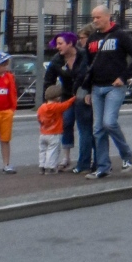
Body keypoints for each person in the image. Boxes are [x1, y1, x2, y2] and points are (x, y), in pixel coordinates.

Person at [81, 5, 132, 179]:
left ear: (108, 17)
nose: (94, 20)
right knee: (97, 129)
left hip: (114, 87)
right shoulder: (93, 38)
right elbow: (90, 65)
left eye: (98, 17)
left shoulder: (120, 35)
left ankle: (126, 155)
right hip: (96, 87)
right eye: (93, 17)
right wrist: (87, 89)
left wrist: (124, 77)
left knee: (109, 123)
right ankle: (103, 167)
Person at [43, 31, 87, 171]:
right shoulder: (57, 60)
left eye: (60, 44)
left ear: (70, 43)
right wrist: (49, 99)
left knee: (84, 127)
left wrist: (89, 92)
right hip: (67, 95)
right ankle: (66, 157)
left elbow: (90, 73)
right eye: (57, 44)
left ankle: (85, 160)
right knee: (66, 123)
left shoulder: (83, 55)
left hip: (83, 95)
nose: (57, 47)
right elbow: (48, 79)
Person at [70, 24, 96, 173]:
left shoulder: (86, 54)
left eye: (82, 38)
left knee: (85, 130)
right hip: (93, 93)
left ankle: (84, 163)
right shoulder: (98, 53)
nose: (79, 41)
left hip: (84, 93)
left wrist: (76, 89)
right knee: (96, 131)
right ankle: (99, 162)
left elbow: (82, 73)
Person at [36, 85, 75, 174]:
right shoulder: (56, 106)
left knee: (42, 150)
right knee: (52, 150)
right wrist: (73, 98)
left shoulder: (42, 107)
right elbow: (66, 105)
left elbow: (38, 117)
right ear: (58, 98)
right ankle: (51, 167)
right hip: (54, 133)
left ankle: (42, 166)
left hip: (43, 133)